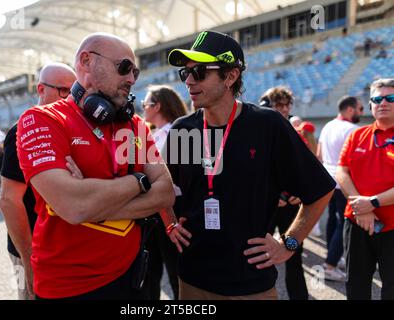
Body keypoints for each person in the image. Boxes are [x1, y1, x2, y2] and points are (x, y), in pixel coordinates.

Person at [164, 30, 335, 300]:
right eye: (185, 73)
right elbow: (163, 186)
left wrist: (288, 242)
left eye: (199, 72)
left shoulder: (267, 125)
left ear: (230, 76)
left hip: (251, 285)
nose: (189, 81)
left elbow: (320, 190)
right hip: (192, 280)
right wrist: (170, 223)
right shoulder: (184, 129)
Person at [16, 33, 178, 300]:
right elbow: (74, 205)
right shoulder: (41, 120)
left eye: (135, 71)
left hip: (132, 277)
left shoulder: (135, 124)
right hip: (69, 287)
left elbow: (165, 193)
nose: (132, 78)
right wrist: (138, 181)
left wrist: (93, 202)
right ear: (87, 61)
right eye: (124, 67)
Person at [0, 62, 77, 300]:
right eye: (63, 90)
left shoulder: (67, 125)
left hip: (60, 247)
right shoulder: (23, 130)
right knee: (29, 294)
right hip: (31, 249)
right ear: (41, 90)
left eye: (74, 90)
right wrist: (29, 259)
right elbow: (9, 201)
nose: (70, 97)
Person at [336, 78, 394, 300]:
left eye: (390, 98)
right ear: (370, 104)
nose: (383, 103)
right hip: (357, 222)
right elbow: (342, 172)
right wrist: (362, 207)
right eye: (377, 99)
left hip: (391, 227)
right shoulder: (356, 135)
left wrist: (373, 202)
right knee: (356, 286)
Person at [259, 87, 309, 300]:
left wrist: (303, 192)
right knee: (260, 256)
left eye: (288, 104)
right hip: (268, 205)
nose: (285, 109)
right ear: (268, 106)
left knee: (294, 258)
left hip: (291, 206)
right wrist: (273, 196)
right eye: (279, 105)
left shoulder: (297, 134)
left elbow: (308, 168)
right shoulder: (258, 133)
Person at [141, 84, 188, 299]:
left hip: (172, 208)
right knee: (150, 272)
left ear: (157, 106)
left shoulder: (175, 133)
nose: (142, 107)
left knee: (176, 272)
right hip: (153, 209)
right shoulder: (154, 134)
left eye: (145, 103)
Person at [317, 95, 363, 282]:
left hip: (328, 179)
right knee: (342, 223)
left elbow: (319, 155)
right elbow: (358, 162)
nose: (362, 112)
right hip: (344, 181)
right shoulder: (353, 129)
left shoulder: (328, 125)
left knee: (332, 221)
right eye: (360, 109)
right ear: (351, 109)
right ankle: (330, 265)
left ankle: (332, 257)